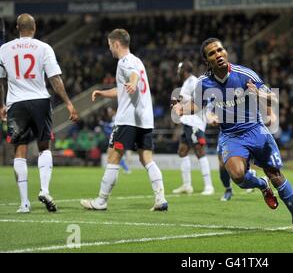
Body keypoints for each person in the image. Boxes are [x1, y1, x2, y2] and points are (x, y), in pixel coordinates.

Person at [173, 38, 293, 235]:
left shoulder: (245, 74)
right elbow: (198, 105)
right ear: (207, 60)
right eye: (212, 53)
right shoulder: (204, 82)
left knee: (276, 175)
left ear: (225, 52)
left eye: (220, 50)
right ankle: (261, 185)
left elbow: (273, 97)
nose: (218, 54)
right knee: (237, 176)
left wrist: (266, 107)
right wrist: (181, 109)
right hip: (231, 135)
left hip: (255, 129)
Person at [80, 29, 167, 211]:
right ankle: (160, 199)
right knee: (147, 159)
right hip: (144, 120)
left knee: (113, 158)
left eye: (110, 45)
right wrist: (103, 92)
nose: (109, 49)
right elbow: (123, 89)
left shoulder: (125, 62)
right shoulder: (138, 61)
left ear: (116, 44)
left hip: (127, 121)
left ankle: (101, 201)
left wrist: (133, 83)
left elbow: (132, 76)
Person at [0, 14, 79, 213]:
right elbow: (55, 79)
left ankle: (24, 203)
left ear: (17, 27)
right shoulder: (44, 48)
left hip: (16, 104)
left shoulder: (4, 49)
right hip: (40, 101)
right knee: (44, 147)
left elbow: (1, 81)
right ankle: (44, 190)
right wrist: (68, 103)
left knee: (20, 151)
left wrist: (1, 105)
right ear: (34, 27)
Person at [172, 61, 214, 195]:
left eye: (179, 70)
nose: (178, 72)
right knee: (182, 151)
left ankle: (209, 186)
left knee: (199, 151)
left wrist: (179, 99)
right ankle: (187, 185)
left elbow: (203, 100)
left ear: (184, 70)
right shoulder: (187, 82)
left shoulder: (194, 82)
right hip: (188, 122)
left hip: (195, 122)